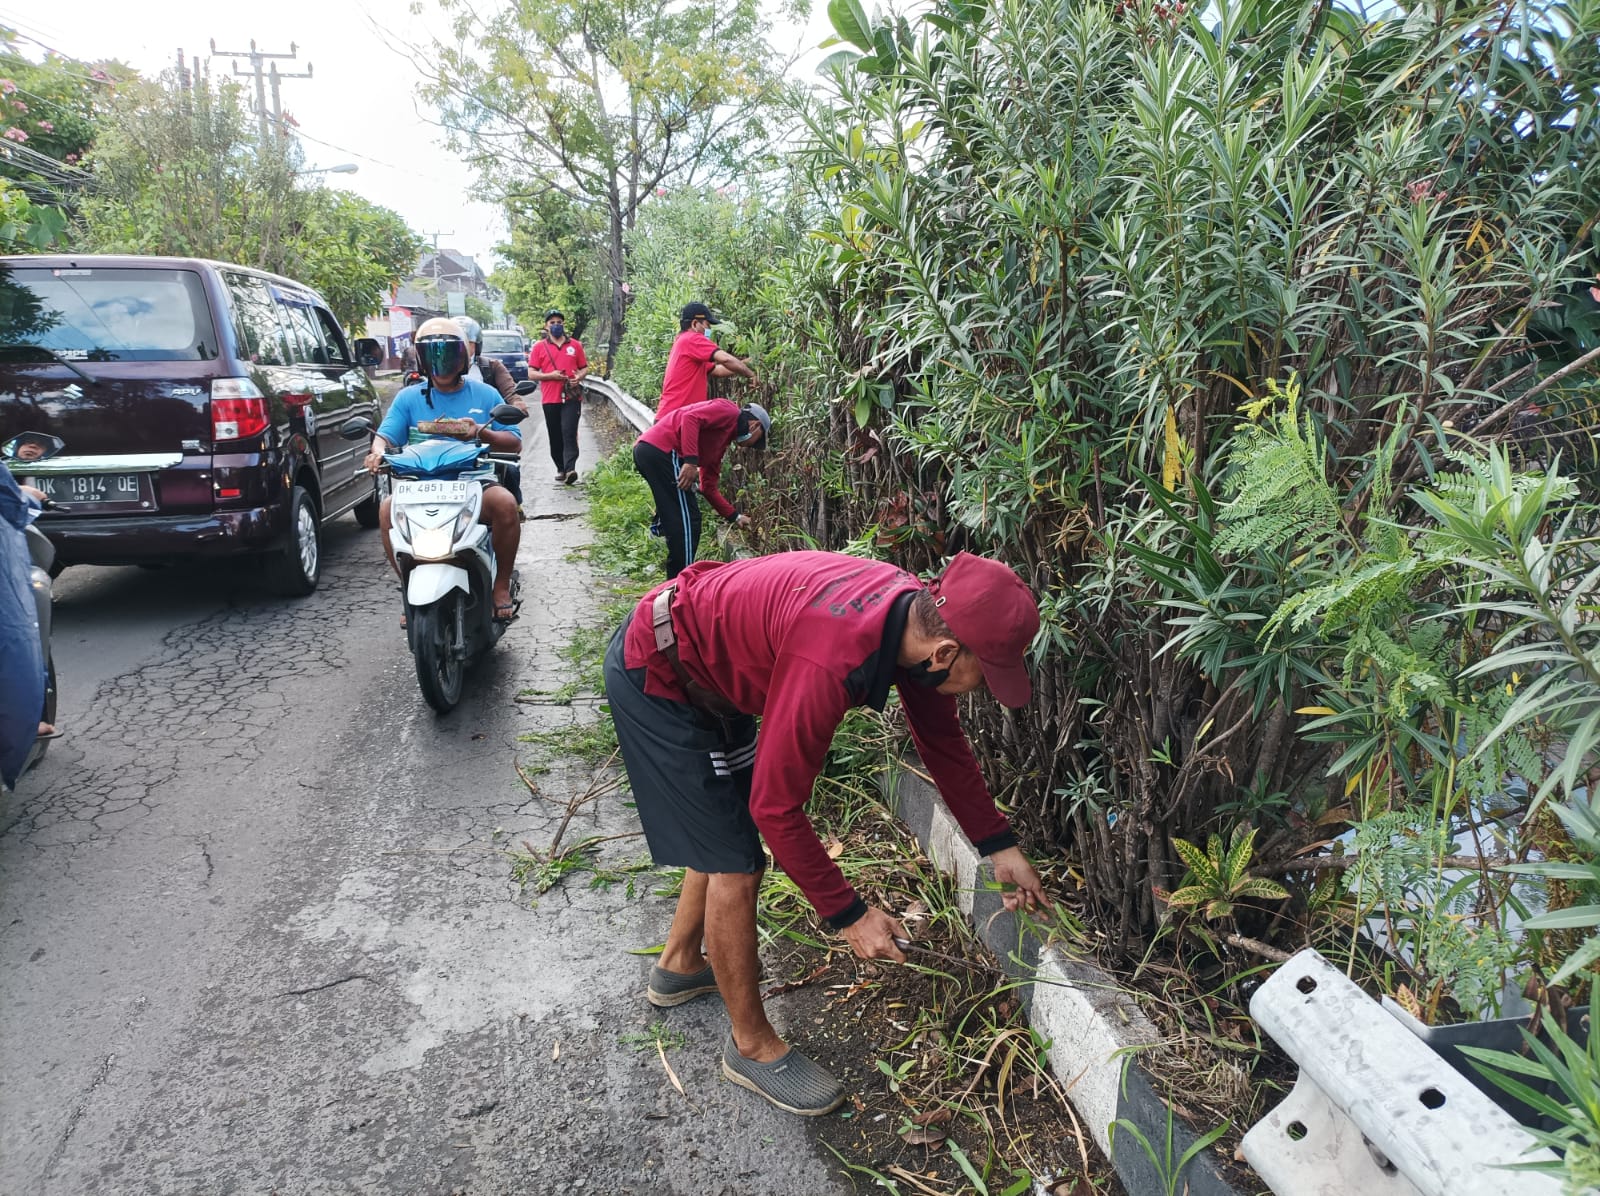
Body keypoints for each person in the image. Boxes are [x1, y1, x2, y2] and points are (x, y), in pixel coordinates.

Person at [601, 550, 1050, 1116]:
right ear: (945, 653)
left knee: (724, 830)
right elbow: (776, 810)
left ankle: (680, 965)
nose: (980, 689)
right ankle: (751, 1047)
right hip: (659, 674)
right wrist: (850, 915)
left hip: (711, 670)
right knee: (737, 862)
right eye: (984, 675)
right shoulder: (831, 658)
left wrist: (999, 846)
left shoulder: (912, 620)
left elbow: (942, 743)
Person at [364, 317, 523, 621]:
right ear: (422, 359)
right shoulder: (408, 398)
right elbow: (385, 437)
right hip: (419, 485)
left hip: (473, 481)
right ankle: (408, 586)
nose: (441, 362)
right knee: (386, 510)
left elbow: (514, 443)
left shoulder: (486, 394)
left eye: (448, 353)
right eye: (433, 354)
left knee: (505, 504)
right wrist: (377, 453)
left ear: (463, 356)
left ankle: (501, 585)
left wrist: (480, 432)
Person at [633, 398, 767, 579]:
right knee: (687, 522)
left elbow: (708, 488)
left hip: (653, 452)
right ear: (755, 425)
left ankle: (674, 577)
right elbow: (690, 418)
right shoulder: (729, 410)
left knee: (681, 519)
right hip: (662, 450)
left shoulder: (719, 445)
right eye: (757, 441)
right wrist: (690, 462)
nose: (752, 447)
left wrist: (735, 517)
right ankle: (681, 582)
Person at [458, 315, 525, 508]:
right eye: (456, 344)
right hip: (446, 448)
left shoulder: (490, 368)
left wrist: (516, 406)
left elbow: (511, 392)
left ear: (477, 345)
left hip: (485, 440)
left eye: (467, 343)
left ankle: (515, 507)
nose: (461, 349)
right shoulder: (423, 386)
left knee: (508, 469)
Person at [654, 302, 759, 424]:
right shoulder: (692, 339)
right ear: (694, 324)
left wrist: (748, 362)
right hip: (674, 419)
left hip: (672, 417)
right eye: (707, 325)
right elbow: (725, 359)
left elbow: (718, 371)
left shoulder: (683, 342)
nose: (709, 330)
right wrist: (750, 374)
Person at [527, 309, 589, 484]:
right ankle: (560, 468)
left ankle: (570, 469)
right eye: (552, 323)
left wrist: (578, 377)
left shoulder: (575, 345)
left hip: (571, 397)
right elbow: (531, 373)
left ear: (563, 324)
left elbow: (584, 367)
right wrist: (550, 376)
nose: (556, 325)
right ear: (546, 326)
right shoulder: (539, 347)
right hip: (550, 398)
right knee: (555, 434)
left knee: (569, 431)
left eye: (559, 322)